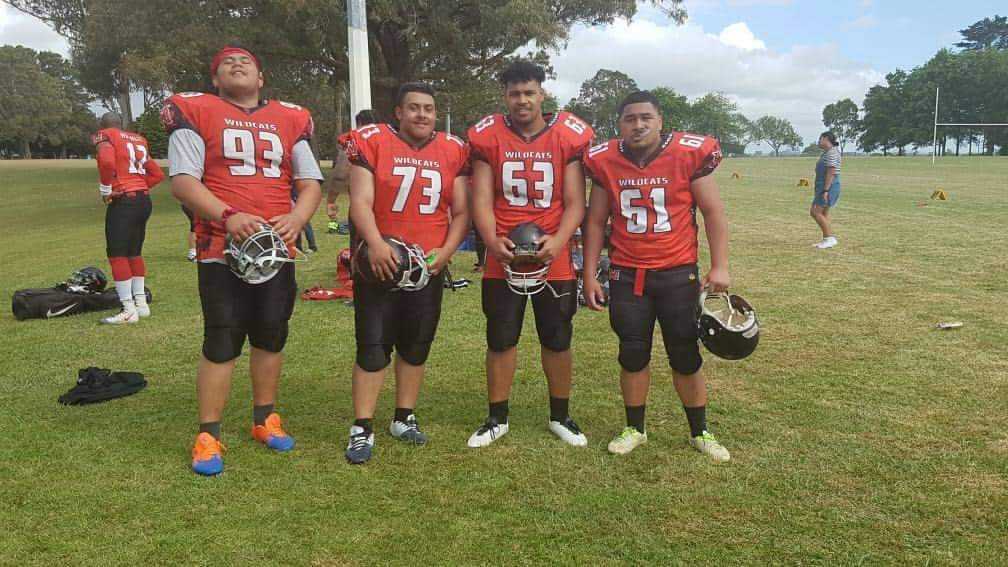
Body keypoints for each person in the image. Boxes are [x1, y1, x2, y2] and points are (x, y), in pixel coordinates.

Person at [161, 45, 324, 476]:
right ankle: (208, 434)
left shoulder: (290, 118)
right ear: (215, 80)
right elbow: (183, 182)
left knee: (271, 334)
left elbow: (310, 183)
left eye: (245, 61)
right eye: (225, 63)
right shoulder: (197, 111)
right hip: (222, 247)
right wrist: (227, 215)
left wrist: (297, 218)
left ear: (261, 77)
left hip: (275, 249)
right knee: (221, 339)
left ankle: (264, 418)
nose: (236, 64)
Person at [581, 90, 732, 461]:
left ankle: (700, 431)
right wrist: (589, 273)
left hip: (677, 273)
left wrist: (720, 265)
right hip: (627, 274)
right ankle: (635, 428)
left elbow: (712, 212)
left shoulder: (687, 154)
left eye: (646, 117)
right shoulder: (605, 160)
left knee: (685, 354)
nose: (638, 125)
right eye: (630, 118)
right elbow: (595, 221)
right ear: (620, 124)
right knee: (632, 352)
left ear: (660, 121)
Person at [466, 60, 594, 448]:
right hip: (503, 254)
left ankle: (560, 415)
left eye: (529, 92)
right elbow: (481, 199)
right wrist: (491, 241)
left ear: (542, 93)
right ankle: (497, 417)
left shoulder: (566, 136)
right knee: (500, 337)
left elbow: (576, 201)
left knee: (557, 337)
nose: (522, 100)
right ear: (505, 97)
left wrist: (559, 240)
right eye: (514, 93)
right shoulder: (489, 136)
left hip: (552, 254)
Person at [342, 82, 471, 464]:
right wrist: (376, 243)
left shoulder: (453, 149)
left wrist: (446, 252)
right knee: (372, 346)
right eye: (414, 107)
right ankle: (362, 426)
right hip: (381, 262)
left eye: (428, 108)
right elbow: (360, 202)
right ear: (398, 112)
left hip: (427, 265)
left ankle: (403, 416)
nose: (422, 115)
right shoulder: (373, 141)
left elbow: (461, 212)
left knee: (416, 345)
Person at [92, 111, 165, 324]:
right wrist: (139, 186)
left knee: (117, 255)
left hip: (124, 201)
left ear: (102, 126)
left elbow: (107, 162)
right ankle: (141, 305)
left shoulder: (105, 136)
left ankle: (128, 309)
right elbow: (157, 174)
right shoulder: (137, 139)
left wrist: (106, 190)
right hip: (143, 201)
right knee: (134, 252)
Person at [326, 109, 377, 238]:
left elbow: (341, 174)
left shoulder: (355, 139)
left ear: (358, 123)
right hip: (396, 210)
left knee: (363, 247)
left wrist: (331, 201)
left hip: (364, 208)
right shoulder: (394, 139)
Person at [811, 131, 841, 249]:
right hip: (824, 186)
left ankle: (829, 238)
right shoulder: (827, 152)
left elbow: (831, 172)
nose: (818, 141)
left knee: (815, 212)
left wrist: (826, 190)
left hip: (828, 186)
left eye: (820, 139)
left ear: (826, 139)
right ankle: (827, 239)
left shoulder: (831, 153)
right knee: (823, 213)